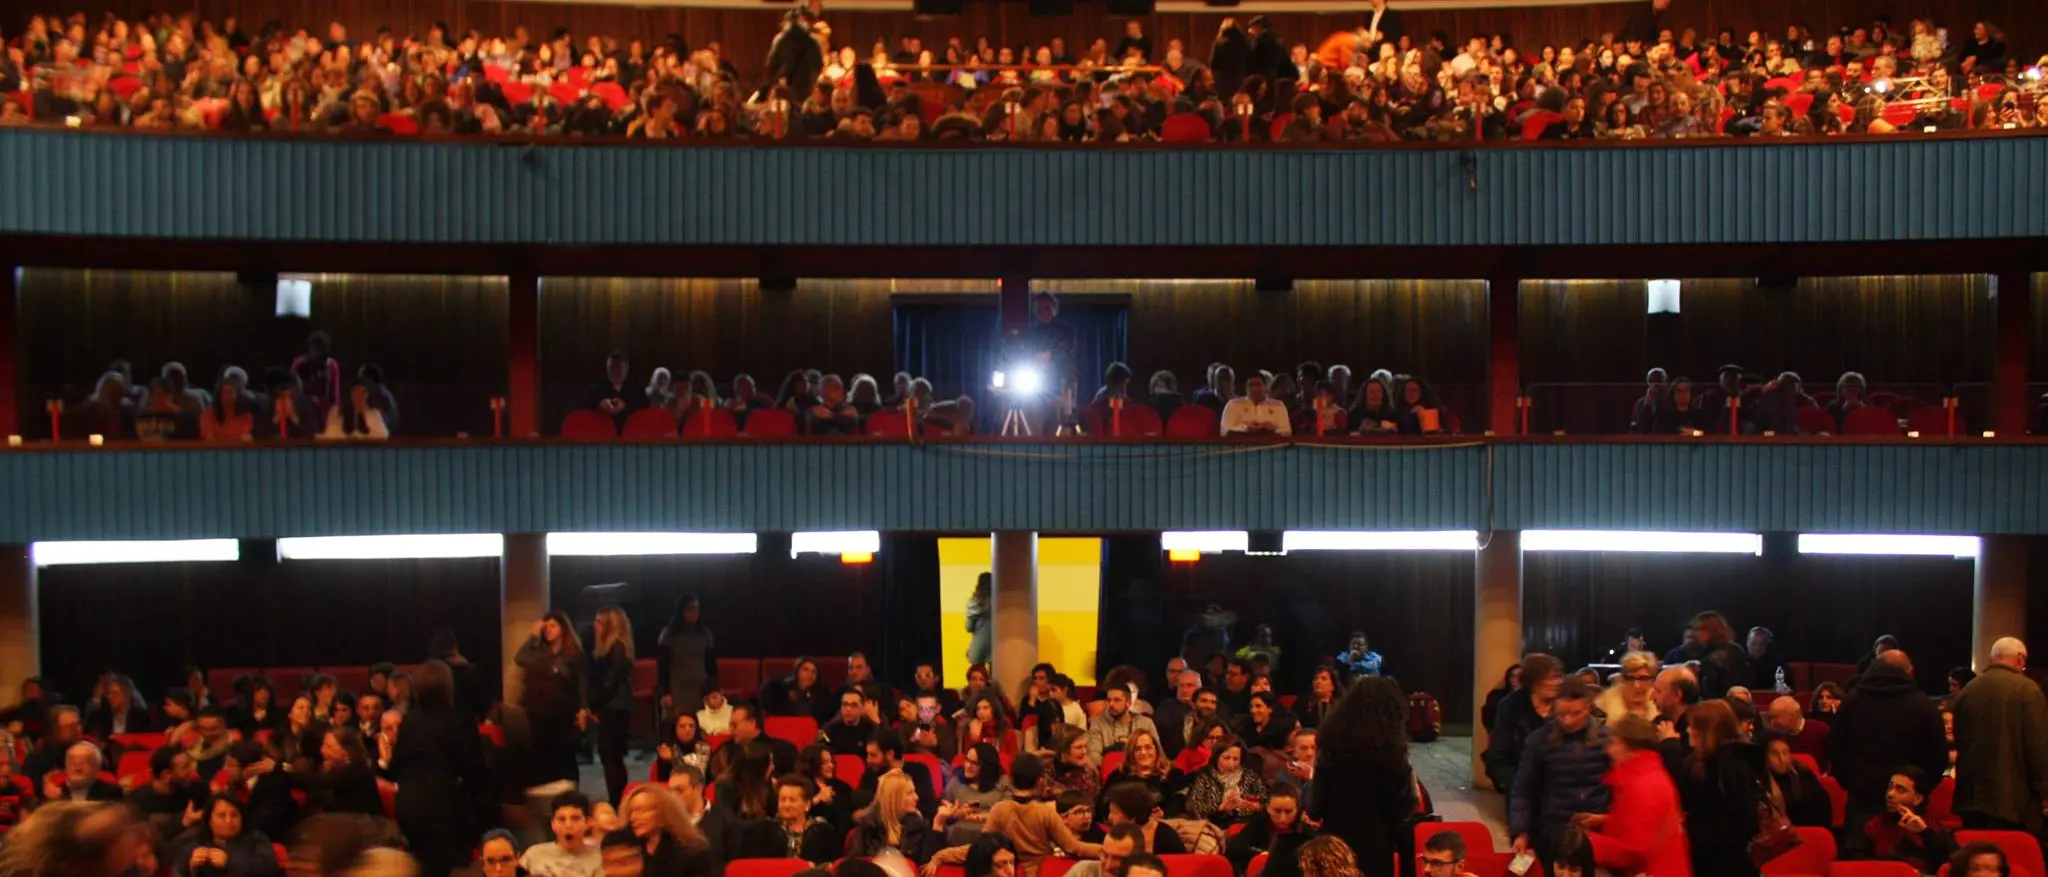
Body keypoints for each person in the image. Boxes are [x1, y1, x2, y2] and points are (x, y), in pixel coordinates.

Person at [1832, 649, 1948, 838]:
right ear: (1909, 672)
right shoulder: (1923, 705)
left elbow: (1836, 749)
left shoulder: (1852, 701)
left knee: (1858, 859)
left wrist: (1852, 784)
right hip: (1909, 803)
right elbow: (1938, 756)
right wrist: (1919, 788)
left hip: (1861, 798)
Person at [926, 753, 1101, 877]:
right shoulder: (1045, 812)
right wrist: (1108, 851)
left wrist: (941, 855)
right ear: (1040, 782)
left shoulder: (1000, 809)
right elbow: (1074, 848)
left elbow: (980, 849)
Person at [389, 660, 487, 877]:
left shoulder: (410, 720)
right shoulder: (457, 720)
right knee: (438, 868)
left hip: (408, 803)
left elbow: (396, 765)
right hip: (439, 805)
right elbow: (473, 767)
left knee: (419, 866)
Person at [1311, 678, 1415, 877]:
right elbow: (1403, 808)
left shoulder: (1330, 748)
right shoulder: (1394, 754)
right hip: (1377, 848)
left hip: (1335, 847)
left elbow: (1315, 806)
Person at [1508, 681, 1610, 868]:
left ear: (1588, 708)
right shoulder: (1539, 741)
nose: (1568, 721)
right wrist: (1520, 831)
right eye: (1562, 714)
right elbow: (1523, 789)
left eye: (1575, 713)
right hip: (1553, 831)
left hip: (1597, 831)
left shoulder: (1607, 739)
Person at [1952, 637, 2048, 831]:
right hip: (2011, 798)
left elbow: (1959, 738)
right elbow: (2037, 745)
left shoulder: (1969, 689)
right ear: (2020, 659)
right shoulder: (2027, 689)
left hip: (1970, 795)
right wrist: (2044, 790)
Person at [1674, 700, 1760, 877]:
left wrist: (1689, 830)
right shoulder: (1701, 764)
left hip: (1727, 866)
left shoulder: (1731, 768)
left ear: (1708, 731)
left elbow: (1741, 824)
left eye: (1693, 726)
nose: (1688, 730)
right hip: (1711, 861)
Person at [517, 611, 590, 786]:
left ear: (563, 629)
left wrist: (583, 707)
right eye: (546, 626)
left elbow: (582, 684)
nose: (548, 630)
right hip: (540, 714)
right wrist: (533, 636)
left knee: (566, 758)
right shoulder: (539, 652)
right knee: (543, 760)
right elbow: (520, 658)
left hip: (564, 714)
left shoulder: (574, 654)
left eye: (553, 626)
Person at [1845, 765, 1951, 870]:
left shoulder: (1933, 827)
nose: (1890, 794)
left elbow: (1955, 863)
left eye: (1900, 789)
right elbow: (1855, 864)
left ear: (1917, 799)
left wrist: (1925, 833)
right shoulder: (1871, 825)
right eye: (1890, 787)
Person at [1485, 653, 1563, 794]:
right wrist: (1517, 785)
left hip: (1562, 793)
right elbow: (1497, 756)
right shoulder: (1511, 706)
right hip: (1523, 792)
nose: (1556, 683)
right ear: (1533, 681)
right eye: (1549, 678)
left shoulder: (1568, 702)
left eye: (1558, 677)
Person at [590, 606, 638, 806]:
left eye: (599, 622)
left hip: (614, 707)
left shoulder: (616, 647)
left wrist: (594, 707)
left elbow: (610, 682)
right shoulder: (618, 646)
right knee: (613, 757)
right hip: (616, 705)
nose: (595, 626)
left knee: (610, 757)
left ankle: (617, 802)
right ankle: (618, 801)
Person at [168, 794, 279, 877]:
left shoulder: (256, 839)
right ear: (209, 820)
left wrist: (230, 863)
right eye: (221, 815)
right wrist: (191, 869)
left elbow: (269, 868)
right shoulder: (193, 842)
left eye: (234, 815)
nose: (228, 821)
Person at [622, 785, 718, 877]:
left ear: (663, 814)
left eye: (641, 811)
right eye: (631, 811)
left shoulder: (692, 852)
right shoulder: (627, 850)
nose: (633, 817)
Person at [1226, 784, 1314, 877]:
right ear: (1268, 808)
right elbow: (1234, 847)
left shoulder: (1305, 828)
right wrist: (1261, 854)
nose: (1282, 818)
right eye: (1277, 811)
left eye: (1288, 811)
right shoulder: (1260, 821)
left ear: (1297, 809)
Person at [849, 770, 934, 862]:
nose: (916, 797)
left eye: (914, 792)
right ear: (894, 797)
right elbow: (856, 866)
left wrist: (937, 827)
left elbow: (925, 865)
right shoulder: (867, 828)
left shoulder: (919, 827)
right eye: (910, 793)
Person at [657, 596, 717, 724]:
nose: (695, 612)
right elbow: (663, 666)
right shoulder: (669, 635)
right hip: (678, 689)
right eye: (690, 608)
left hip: (700, 688)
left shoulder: (704, 633)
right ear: (681, 611)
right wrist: (666, 692)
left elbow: (711, 663)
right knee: (680, 724)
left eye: (697, 608)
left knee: (701, 724)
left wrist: (714, 687)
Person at [1183, 739, 1267, 827]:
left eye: (1235, 759)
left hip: (1248, 825)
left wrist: (1257, 807)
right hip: (1215, 825)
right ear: (1217, 757)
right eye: (1226, 758)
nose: (1231, 763)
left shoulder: (1250, 776)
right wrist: (1220, 809)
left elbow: (1267, 802)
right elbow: (1193, 807)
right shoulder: (1205, 776)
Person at [521, 791, 604, 877]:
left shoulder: (599, 858)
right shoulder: (534, 854)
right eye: (561, 819)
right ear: (553, 824)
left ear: (587, 822)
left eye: (575, 819)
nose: (568, 825)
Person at [1761, 733, 1832, 829]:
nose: (1782, 759)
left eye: (1785, 753)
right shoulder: (1760, 781)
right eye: (1775, 754)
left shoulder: (1803, 774)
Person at [1086, 687, 1157, 767]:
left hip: (1142, 771)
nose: (1111, 704)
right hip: (1111, 773)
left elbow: (1158, 753)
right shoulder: (1098, 723)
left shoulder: (1145, 723)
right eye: (1109, 700)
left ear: (1129, 703)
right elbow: (1093, 758)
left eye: (1117, 700)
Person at [1688, 612, 1752, 699]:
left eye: (1700, 629)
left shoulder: (1731, 651)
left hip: (1725, 705)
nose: (1696, 634)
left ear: (1712, 630)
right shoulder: (1704, 651)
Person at [1765, 696, 1831, 774]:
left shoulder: (1821, 730)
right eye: (1770, 719)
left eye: (1775, 717)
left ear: (1791, 716)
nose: (1772, 723)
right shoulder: (1773, 738)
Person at [585, 352, 647, 431]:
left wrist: (625, 405)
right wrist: (600, 405)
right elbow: (586, 405)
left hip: (631, 431)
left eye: (619, 368)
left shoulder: (636, 386)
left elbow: (644, 405)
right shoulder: (598, 386)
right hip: (602, 431)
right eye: (612, 368)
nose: (615, 372)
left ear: (626, 369)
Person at [1220, 374, 1289, 435]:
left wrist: (1272, 430)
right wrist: (1246, 428)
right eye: (1250, 385)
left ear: (1265, 387)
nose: (1254, 389)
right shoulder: (1233, 404)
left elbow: (1287, 431)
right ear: (1245, 388)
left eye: (1258, 385)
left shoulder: (1278, 405)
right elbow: (1225, 431)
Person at [1481, 665, 1522, 733]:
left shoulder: (1532, 697)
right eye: (1512, 676)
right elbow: (1489, 721)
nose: (1515, 679)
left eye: (1519, 676)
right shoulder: (1496, 696)